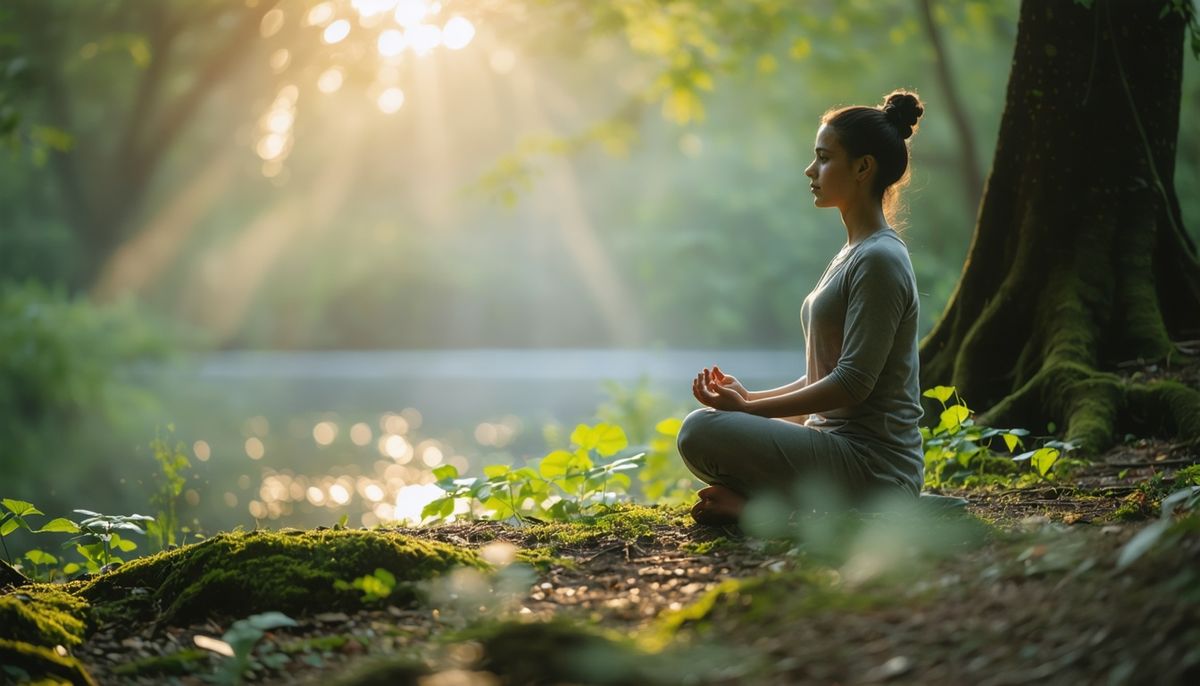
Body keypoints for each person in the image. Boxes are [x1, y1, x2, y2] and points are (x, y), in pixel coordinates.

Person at [677, 90, 927, 526]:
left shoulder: (881, 259)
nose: (811, 170)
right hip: (833, 449)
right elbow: (822, 378)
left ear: (863, 168)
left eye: (825, 158)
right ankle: (777, 507)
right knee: (706, 427)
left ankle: (773, 512)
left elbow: (852, 384)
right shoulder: (854, 252)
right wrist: (746, 399)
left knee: (700, 431)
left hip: (877, 469)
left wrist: (750, 412)